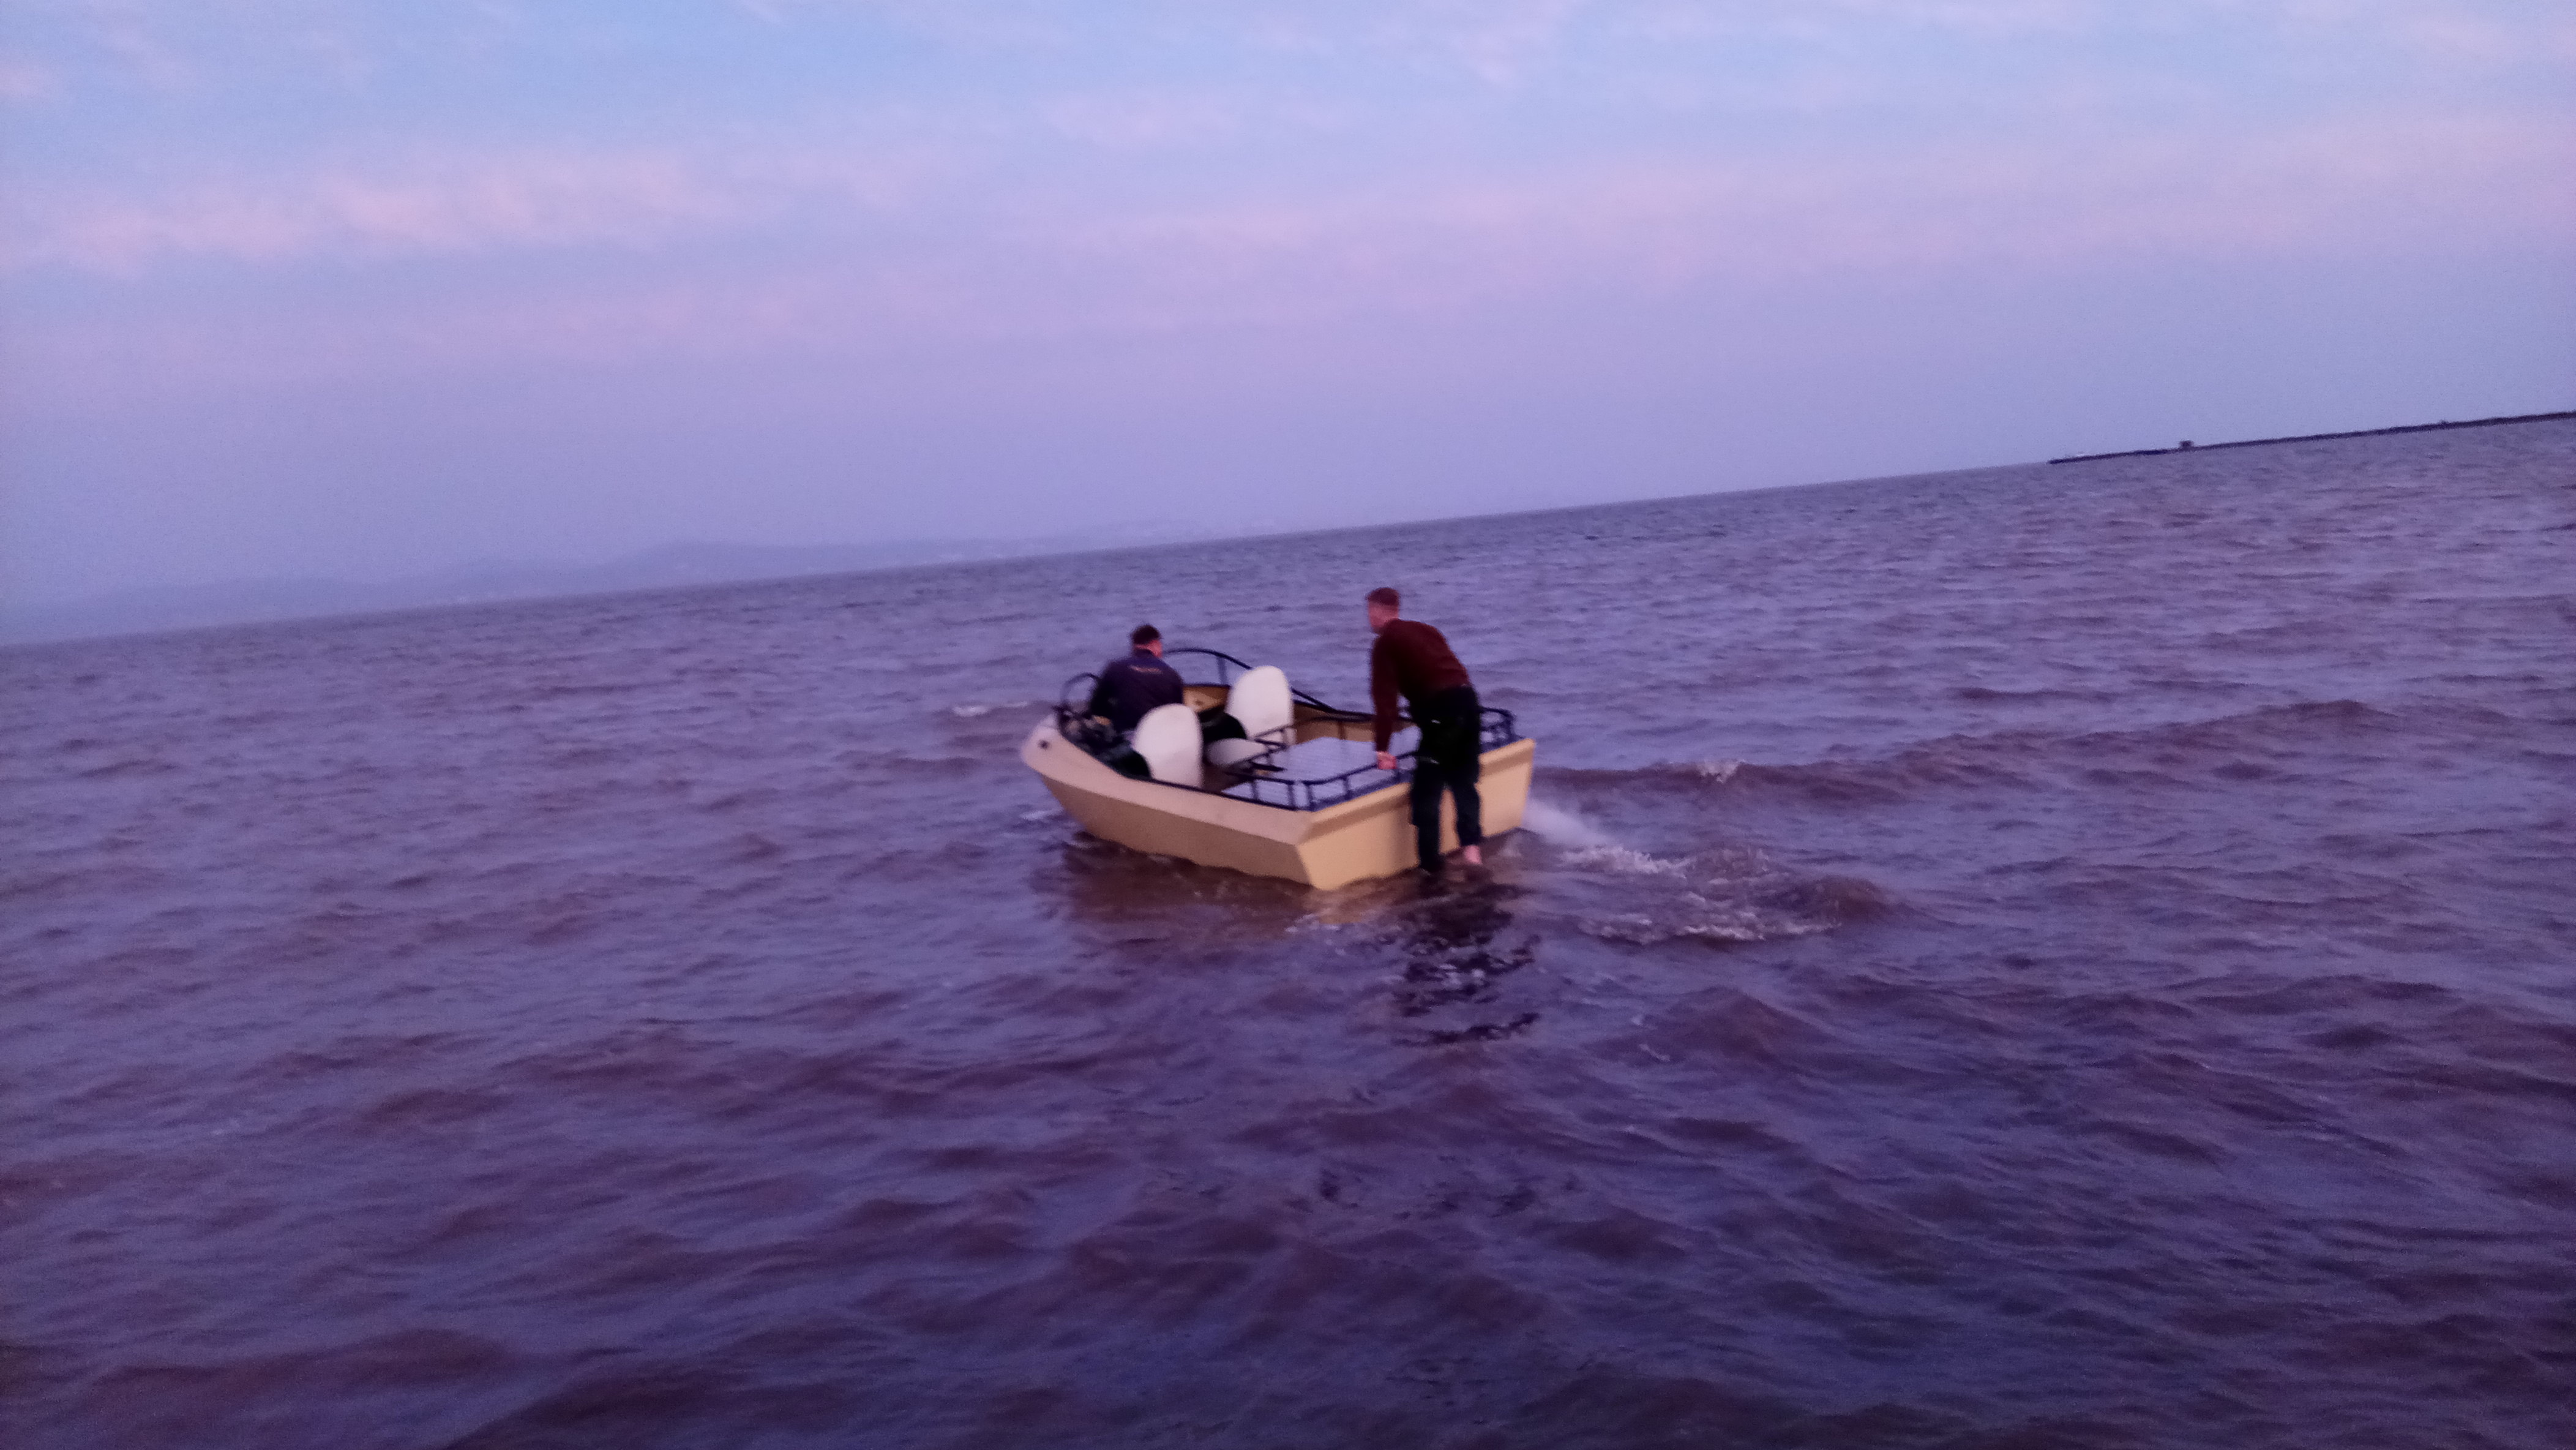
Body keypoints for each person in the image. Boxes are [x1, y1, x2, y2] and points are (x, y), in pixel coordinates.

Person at [1366, 587, 1484, 875]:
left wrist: (1382, 748)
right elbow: (1450, 669)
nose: (1368, 618)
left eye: (1369, 611)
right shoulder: (1427, 630)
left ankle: (1431, 870)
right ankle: (1473, 855)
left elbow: (1385, 699)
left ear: (1379, 611)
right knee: (1463, 782)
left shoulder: (1386, 642)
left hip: (1441, 713)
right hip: (1469, 702)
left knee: (1427, 793)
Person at [1088, 624, 1186, 733]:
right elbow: (1179, 713)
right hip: (1161, 736)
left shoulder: (1115, 667)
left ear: (1134, 646)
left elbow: (1096, 706)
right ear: (1156, 644)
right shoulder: (1172, 674)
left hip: (1127, 735)